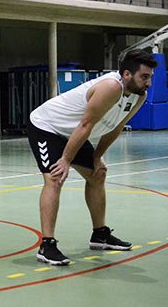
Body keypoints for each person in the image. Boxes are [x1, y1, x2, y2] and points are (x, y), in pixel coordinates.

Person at [27, 49, 157, 266]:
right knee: (55, 177)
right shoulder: (110, 87)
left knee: (98, 174)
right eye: (144, 77)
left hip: (73, 133)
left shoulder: (139, 96)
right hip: (47, 126)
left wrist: (97, 158)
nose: (149, 83)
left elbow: (116, 127)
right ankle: (47, 245)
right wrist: (66, 160)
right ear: (127, 74)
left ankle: (100, 235)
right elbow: (86, 124)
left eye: (151, 77)